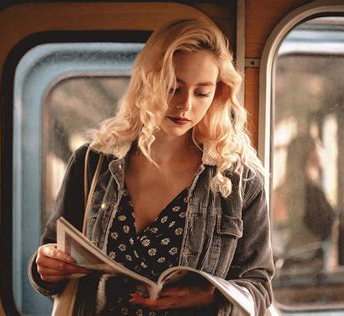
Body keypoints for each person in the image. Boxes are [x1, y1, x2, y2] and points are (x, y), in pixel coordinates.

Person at [28, 18, 274, 315]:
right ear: (148, 82)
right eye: (174, 88)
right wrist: (45, 265)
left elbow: (259, 288)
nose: (185, 106)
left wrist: (208, 298)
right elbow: (52, 257)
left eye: (201, 93)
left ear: (218, 94)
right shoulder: (92, 163)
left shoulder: (240, 179)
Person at [273, 134, 337, 271]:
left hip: (298, 260)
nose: (322, 150)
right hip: (307, 263)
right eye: (318, 146)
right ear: (308, 153)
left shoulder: (288, 188)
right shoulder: (308, 190)